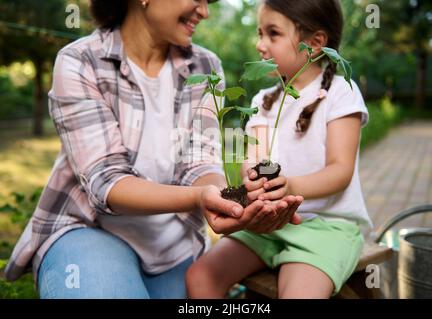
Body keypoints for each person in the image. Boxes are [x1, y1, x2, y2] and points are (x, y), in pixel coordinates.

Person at [4, 0, 302, 299]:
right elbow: (106, 180)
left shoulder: (205, 67)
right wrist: (199, 198)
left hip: (174, 247)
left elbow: (199, 163)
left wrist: (228, 200)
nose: (205, 11)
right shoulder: (81, 61)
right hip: (89, 231)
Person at [186, 0, 373, 299]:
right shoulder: (262, 101)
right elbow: (252, 163)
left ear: (314, 44)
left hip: (326, 227)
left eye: (272, 34)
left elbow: (340, 171)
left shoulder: (340, 93)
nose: (260, 44)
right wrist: (253, 181)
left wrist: (290, 187)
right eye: (260, 33)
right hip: (268, 224)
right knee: (200, 276)